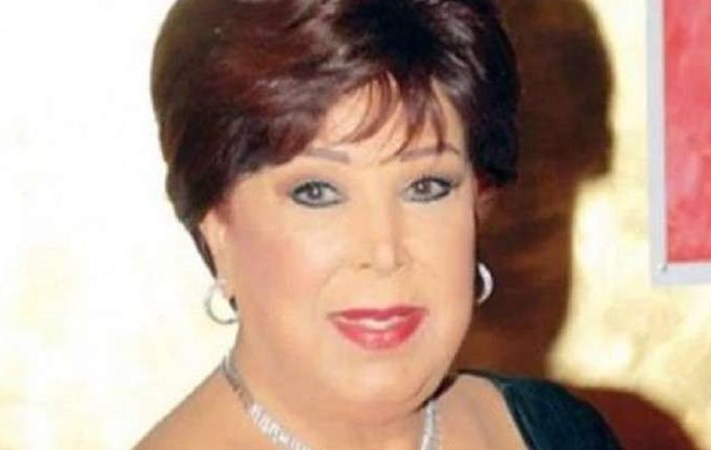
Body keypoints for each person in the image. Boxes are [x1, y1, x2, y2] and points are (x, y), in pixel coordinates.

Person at [136, 0, 622, 448]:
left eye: (426, 186)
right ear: (218, 229)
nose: (385, 251)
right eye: (317, 192)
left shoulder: (563, 434)